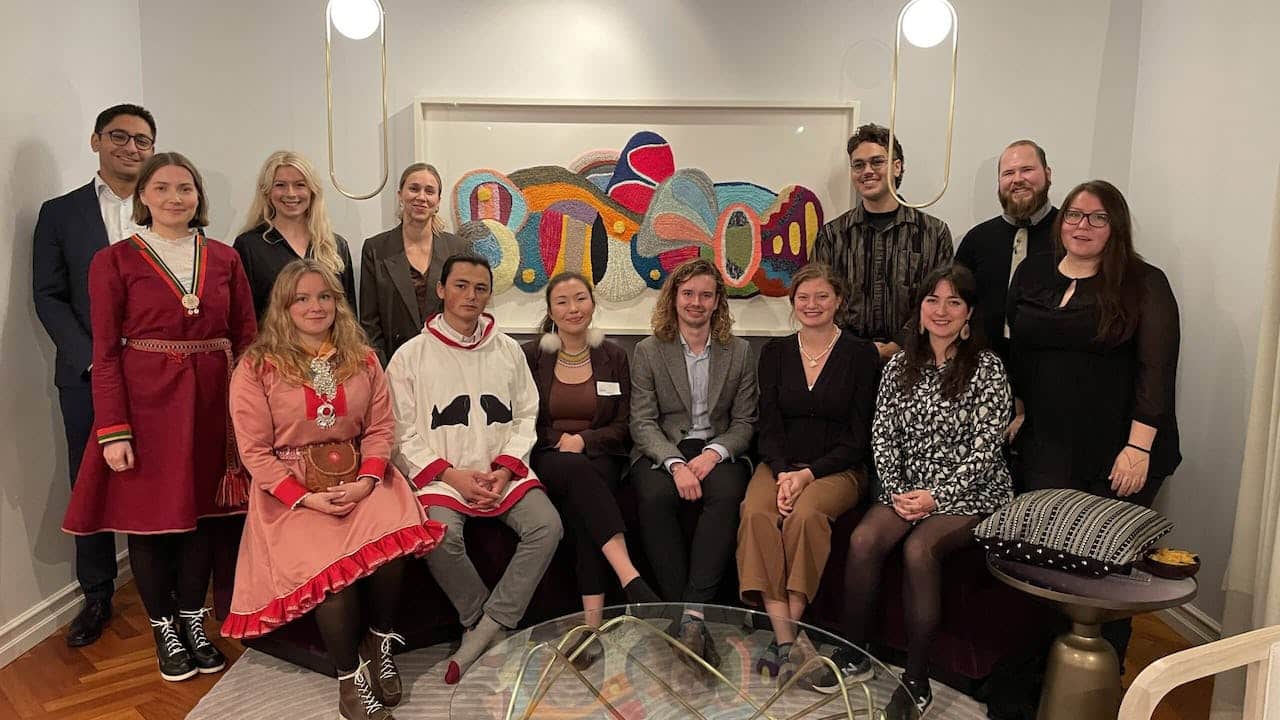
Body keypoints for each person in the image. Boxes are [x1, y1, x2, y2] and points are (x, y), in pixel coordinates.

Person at [61, 152, 257, 682]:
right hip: (146, 406)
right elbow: (104, 353)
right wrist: (113, 430)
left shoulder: (223, 257)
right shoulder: (115, 261)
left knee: (201, 517)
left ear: (199, 197)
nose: (176, 198)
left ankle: (193, 620)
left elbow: (246, 337)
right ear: (143, 196)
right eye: (164, 188)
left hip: (214, 403)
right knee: (151, 521)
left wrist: (250, 413)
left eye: (186, 188)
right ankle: (162, 625)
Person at [225, 260, 445, 720]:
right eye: (301, 298)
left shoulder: (361, 357)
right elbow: (255, 451)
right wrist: (305, 497)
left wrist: (368, 480)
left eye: (324, 296)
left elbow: (381, 427)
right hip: (292, 490)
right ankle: (349, 680)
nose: (315, 306)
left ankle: (379, 640)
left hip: (362, 478)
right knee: (331, 572)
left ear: (338, 303)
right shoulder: (256, 366)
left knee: (392, 540)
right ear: (283, 306)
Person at [813, 265, 1013, 720]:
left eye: (953, 303)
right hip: (906, 488)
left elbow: (986, 448)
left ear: (969, 314)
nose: (941, 311)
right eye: (932, 301)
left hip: (970, 494)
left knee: (920, 549)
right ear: (919, 310)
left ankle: (917, 680)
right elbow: (881, 436)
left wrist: (935, 498)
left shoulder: (986, 367)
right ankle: (853, 653)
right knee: (863, 540)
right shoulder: (900, 363)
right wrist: (901, 492)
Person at [1007, 179, 1181, 660]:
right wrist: (1019, 406)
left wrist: (1139, 448)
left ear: (1115, 226)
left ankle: (1101, 680)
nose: (1082, 226)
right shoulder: (1033, 273)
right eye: (1074, 215)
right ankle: (1044, 676)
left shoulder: (1145, 282)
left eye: (1097, 217)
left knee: (1104, 569)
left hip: (1119, 449)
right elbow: (1020, 348)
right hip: (1048, 443)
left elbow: (1157, 370)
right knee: (1045, 560)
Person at [388, 253, 563, 685]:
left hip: (502, 473)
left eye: (480, 288)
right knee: (438, 536)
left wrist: (504, 469)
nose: (471, 295)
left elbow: (525, 413)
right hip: (444, 478)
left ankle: (486, 629)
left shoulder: (506, 350)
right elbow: (401, 429)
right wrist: (450, 475)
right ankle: (480, 616)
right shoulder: (410, 356)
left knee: (547, 527)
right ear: (442, 290)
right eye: (461, 285)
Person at [33, 102, 157, 647]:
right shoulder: (59, 213)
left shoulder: (167, 208)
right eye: (120, 137)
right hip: (85, 375)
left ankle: (172, 592)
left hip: (158, 375)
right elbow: (48, 296)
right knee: (92, 480)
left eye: (142, 140)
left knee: (161, 473)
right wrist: (92, 358)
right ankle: (98, 593)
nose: (131, 148)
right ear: (96, 141)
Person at [735, 263, 879, 685]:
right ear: (792, 303)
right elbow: (769, 425)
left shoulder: (860, 354)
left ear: (838, 301)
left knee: (805, 516)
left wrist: (808, 477)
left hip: (837, 469)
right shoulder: (775, 353)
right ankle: (789, 642)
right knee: (756, 513)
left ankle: (784, 635)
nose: (812, 304)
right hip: (780, 465)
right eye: (803, 297)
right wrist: (783, 474)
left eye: (821, 296)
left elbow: (858, 436)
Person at [521, 272, 660, 666]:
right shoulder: (533, 355)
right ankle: (629, 578)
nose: (572, 308)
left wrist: (585, 441)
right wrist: (560, 442)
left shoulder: (613, 356)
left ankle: (590, 628)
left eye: (580, 299)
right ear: (550, 310)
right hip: (548, 453)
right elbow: (524, 417)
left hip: (600, 455)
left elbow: (623, 424)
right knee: (577, 474)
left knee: (585, 501)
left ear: (592, 304)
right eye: (562, 301)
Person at [629, 258, 758, 670]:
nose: (696, 302)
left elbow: (745, 422)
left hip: (718, 448)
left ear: (718, 301)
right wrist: (673, 462)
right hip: (665, 447)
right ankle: (688, 617)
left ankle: (692, 615)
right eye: (688, 294)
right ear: (674, 298)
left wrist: (713, 454)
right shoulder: (649, 350)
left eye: (706, 294)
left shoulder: (738, 351)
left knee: (727, 494)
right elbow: (642, 422)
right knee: (652, 497)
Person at [813, 123, 954, 363]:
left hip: (916, 360)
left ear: (896, 167)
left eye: (877, 162)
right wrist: (857, 347)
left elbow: (941, 301)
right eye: (858, 165)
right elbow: (820, 297)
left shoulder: (934, 232)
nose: (867, 170)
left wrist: (899, 343)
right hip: (846, 360)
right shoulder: (832, 235)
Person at [956, 139, 1058, 360]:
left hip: (1050, 369)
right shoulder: (975, 240)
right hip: (982, 368)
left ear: (1048, 173)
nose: (1018, 179)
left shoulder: (1070, 235)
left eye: (1027, 170)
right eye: (1008, 173)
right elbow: (957, 304)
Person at [360, 163, 468, 365]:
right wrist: (384, 372)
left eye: (429, 191)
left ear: (437, 201)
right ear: (400, 195)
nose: (421, 197)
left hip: (448, 362)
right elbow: (369, 324)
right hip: (394, 363)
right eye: (414, 188)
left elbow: (465, 312)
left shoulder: (457, 248)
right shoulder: (375, 249)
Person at [233, 151, 357, 319]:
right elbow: (242, 316)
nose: (291, 193)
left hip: (329, 345)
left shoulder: (336, 245)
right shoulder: (249, 246)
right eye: (280, 185)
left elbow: (348, 316)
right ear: (267, 192)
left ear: (312, 191)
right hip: (273, 344)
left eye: (300, 185)